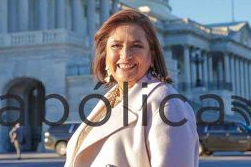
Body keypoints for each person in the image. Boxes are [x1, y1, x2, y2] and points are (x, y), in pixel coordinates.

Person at [65, 9, 199, 167]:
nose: (125, 55)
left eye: (136, 46)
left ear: (152, 56)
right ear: (105, 55)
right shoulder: (112, 98)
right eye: (116, 46)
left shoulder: (167, 104)